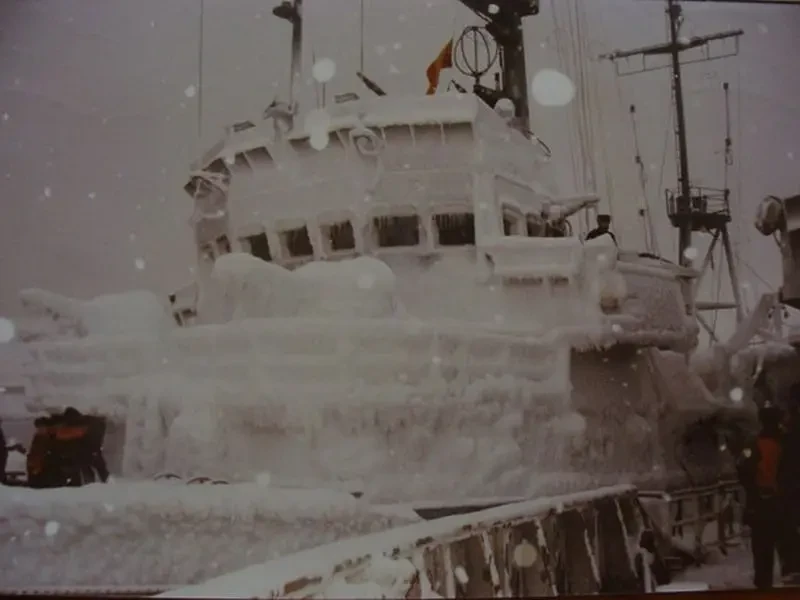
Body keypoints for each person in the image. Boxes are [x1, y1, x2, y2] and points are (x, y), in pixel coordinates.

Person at [737, 403, 785, 589]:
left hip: (760, 504)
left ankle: (764, 586)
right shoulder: (787, 442)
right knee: (787, 549)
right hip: (783, 505)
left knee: (762, 550)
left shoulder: (753, 443)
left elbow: (742, 469)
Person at [778, 384, 800, 581]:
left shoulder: (784, 434)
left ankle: (791, 566)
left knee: (787, 527)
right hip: (789, 487)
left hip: (788, 488)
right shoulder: (785, 433)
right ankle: (792, 566)